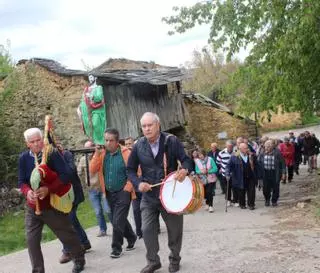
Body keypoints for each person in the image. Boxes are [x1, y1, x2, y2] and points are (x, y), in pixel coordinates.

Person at [127, 112, 193, 273]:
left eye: (150, 125)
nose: (147, 128)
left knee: (175, 230)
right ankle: (153, 261)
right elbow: (130, 170)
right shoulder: (138, 145)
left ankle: (175, 259)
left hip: (170, 194)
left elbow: (186, 160)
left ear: (158, 125)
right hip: (149, 196)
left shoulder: (171, 141)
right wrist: (138, 183)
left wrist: (184, 170)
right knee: (147, 229)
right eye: (144, 126)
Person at [18, 128, 85, 273]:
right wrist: (27, 192)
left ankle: (79, 259)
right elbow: (21, 181)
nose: (36, 144)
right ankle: (37, 270)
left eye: (38, 140)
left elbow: (66, 175)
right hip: (32, 207)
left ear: (42, 139)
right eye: (32, 142)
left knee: (67, 234)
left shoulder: (52, 154)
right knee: (32, 241)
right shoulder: (23, 158)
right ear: (27, 143)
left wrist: (49, 189)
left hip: (52, 204)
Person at [89, 128, 137, 258]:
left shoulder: (126, 153)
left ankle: (116, 248)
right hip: (109, 192)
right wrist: (96, 154)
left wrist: (128, 187)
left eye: (111, 140)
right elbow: (92, 170)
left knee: (117, 220)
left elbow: (136, 171)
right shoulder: (102, 153)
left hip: (124, 191)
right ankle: (132, 237)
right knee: (119, 219)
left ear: (117, 142)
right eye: (106, 140)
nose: (107, 143)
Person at [56, 142, 91, 264]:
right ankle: (84, 242)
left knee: (68, 220)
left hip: (72, 194)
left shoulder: (66, 155)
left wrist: (59, 160)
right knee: (72, 219)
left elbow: (71, 172)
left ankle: (68, 250)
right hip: (61, 196)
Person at [77, 141, 111, 238]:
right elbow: (79, 172)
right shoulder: (83, 160)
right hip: (92, 189)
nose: (88, 150)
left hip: (102, 187)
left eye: (90, 147)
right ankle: (102, 229)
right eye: (86, 148)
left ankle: (117, 226)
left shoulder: (100, 156)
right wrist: (84, 183)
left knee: (108, 210)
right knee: (98, 211)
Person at [225, 143, 260, 210]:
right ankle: (242, 204)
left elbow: (257, 165)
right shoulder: (234, 156)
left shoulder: (251, 155)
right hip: (240, 177)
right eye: (245, 148)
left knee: (251, 191)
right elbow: (228, 166)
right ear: (240, 149)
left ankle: (251, 204)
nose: (247, 149)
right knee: (241, 191)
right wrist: (227, 174)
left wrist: (258, 174)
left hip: (251, 176)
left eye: (247, 148)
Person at [78, 74, 106, 145]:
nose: (90, 79)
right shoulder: (87, 89)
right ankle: (93, 140)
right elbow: (83, 99)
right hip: (88, 110)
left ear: (95, 78)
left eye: (91, 77)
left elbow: (99, 97)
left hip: (97, 109)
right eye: (89, 78)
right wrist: (81, 107)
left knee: (96, 123)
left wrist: (91, 96)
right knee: (89, 124)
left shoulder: (98, 87)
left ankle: (100, 141)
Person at [258, 140, 286, 207]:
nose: (267, 148)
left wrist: (284, 173)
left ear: (272, 147)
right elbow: (259, 163)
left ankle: (274, 201)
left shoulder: (277, 153)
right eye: (266, 146)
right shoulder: (262, 153)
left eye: (268, 146)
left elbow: (283, 164)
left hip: (275, 173)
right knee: (265, 188)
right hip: (265, 173)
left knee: (276, 188)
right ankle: (267, 199)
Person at [217, 140, 234, 206]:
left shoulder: (235, 152)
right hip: (225, 173)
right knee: (227, 187)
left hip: (234, 173)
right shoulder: (221, 153)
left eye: (231, 146)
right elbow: (218, 162)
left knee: (234, 187)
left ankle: (235, 200)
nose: (230, 148)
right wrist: (221, 168)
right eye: (229, 146)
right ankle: (228, 200)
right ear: (226, 146)